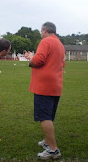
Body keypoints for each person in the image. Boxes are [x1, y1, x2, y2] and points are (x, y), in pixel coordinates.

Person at [24, 22, 65, 160]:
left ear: (45, 30)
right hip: (55, 84)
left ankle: (53, 149)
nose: (40, 33)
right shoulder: (59, 44)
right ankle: (47, 142)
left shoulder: (45, 41)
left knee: (44, 117)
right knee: (49, 115)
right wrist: (33, 56)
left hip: (44, 86)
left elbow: (38, 61)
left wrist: (30, 60)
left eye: (41, 31)